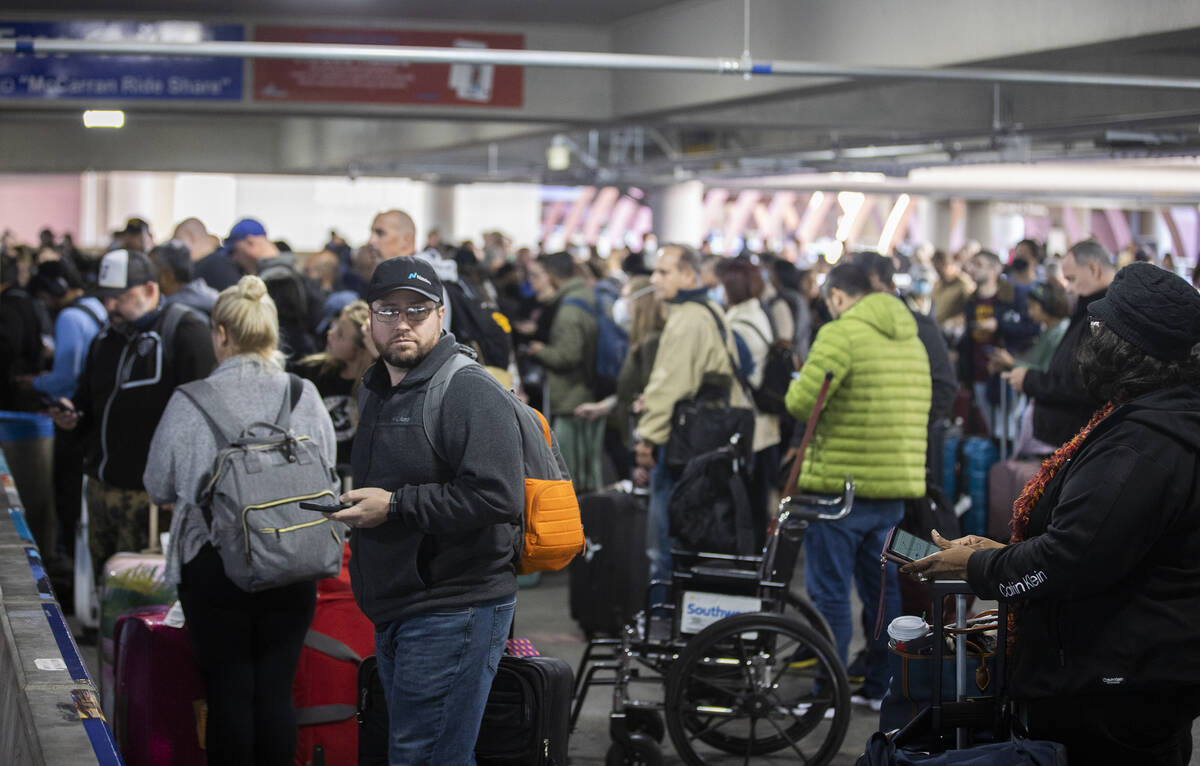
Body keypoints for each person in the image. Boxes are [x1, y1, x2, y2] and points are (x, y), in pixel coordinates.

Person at [904, 261, 1200, 766]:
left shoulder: (1140, 447)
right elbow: (1100, 543)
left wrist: (979, 569)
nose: (1088, 335)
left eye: (1100, 327)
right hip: (1130, 675)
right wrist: (1004, 553)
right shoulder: (1150, 419)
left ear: (1126, 348)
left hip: (1111, 693)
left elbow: (1071, 559)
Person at [328, 257, 522, 765]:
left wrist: (393, 507)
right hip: (398, 604)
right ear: (369, 318)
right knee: (430, 752)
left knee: (425, 755)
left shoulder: (469, 390)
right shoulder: (378, 388)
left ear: (441, 315)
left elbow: (498, 496)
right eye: (388, 310)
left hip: (454, 605)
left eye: (417, 309)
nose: (403, 322)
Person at [144, 275, 335, 766]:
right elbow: (328, 470)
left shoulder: (191, 400)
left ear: (222, 334)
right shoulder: (304, 394)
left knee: (228, 691)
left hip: (214, 563)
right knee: (274, 689)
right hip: (293, 556)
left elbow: (158, 485)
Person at [784, 262, 930, 711]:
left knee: (830, 594)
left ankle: (828, 694)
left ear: (838, 297)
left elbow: (800, 402)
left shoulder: (840, 334)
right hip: (894, 489)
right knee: (880, 591)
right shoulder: (912, 338)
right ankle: (880, 686)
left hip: (839, 490)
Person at [48, 249, 216, 575]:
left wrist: (179, 484)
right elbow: (90, 404)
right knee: (106, 589)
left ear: (151, 290)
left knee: (144, 597)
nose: (112, 307)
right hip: (102, 488)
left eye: (122, 297)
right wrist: (72, 420)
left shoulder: (186, 332)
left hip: (151, 500)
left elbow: (201, 418)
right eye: (107, 298)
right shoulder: (106, 339)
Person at [635, 244, 749, 589]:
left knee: (664, 541)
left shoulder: (688, 319)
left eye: (664, 272)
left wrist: (648, 437)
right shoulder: (708, 309)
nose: (655, 279)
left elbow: (670, 384)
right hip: (708, 440)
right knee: (687, 534)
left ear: (688, 275)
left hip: (682, 441)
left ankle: (662, 618)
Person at [1006, 240, 1115, 447]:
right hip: (1071, 435)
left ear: (1094, 269)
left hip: (1083, 436)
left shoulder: (1102, 317)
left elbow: (1081, 383)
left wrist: (1030, 380)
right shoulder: (1089, 309)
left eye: (1072, 279)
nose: (1068, 288)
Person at [715, 257, 781, 546]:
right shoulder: (756, 314)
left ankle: (750, 567)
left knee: (748, 506)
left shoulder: (738, 325)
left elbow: (734, 377)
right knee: (756, 503)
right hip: (764, 426)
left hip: (750, 426)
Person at [527, 251, 602, 493]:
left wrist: (540, 351)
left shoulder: (569, 308)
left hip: (571, 397)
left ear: (552, 275)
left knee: (569, 476)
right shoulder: (585, 296)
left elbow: (568, 356)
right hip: (584, 392)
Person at [291, 300, 373, 475]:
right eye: (334, 326)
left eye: (341, 334)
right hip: (314, 470)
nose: (331, 333)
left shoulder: (373, 386)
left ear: (360, 348)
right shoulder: (312, 371)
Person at [151, 239, 219, 315]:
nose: (145, 276)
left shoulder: (175, 314)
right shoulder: (211, 296)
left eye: (149, 269)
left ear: (168, 276)